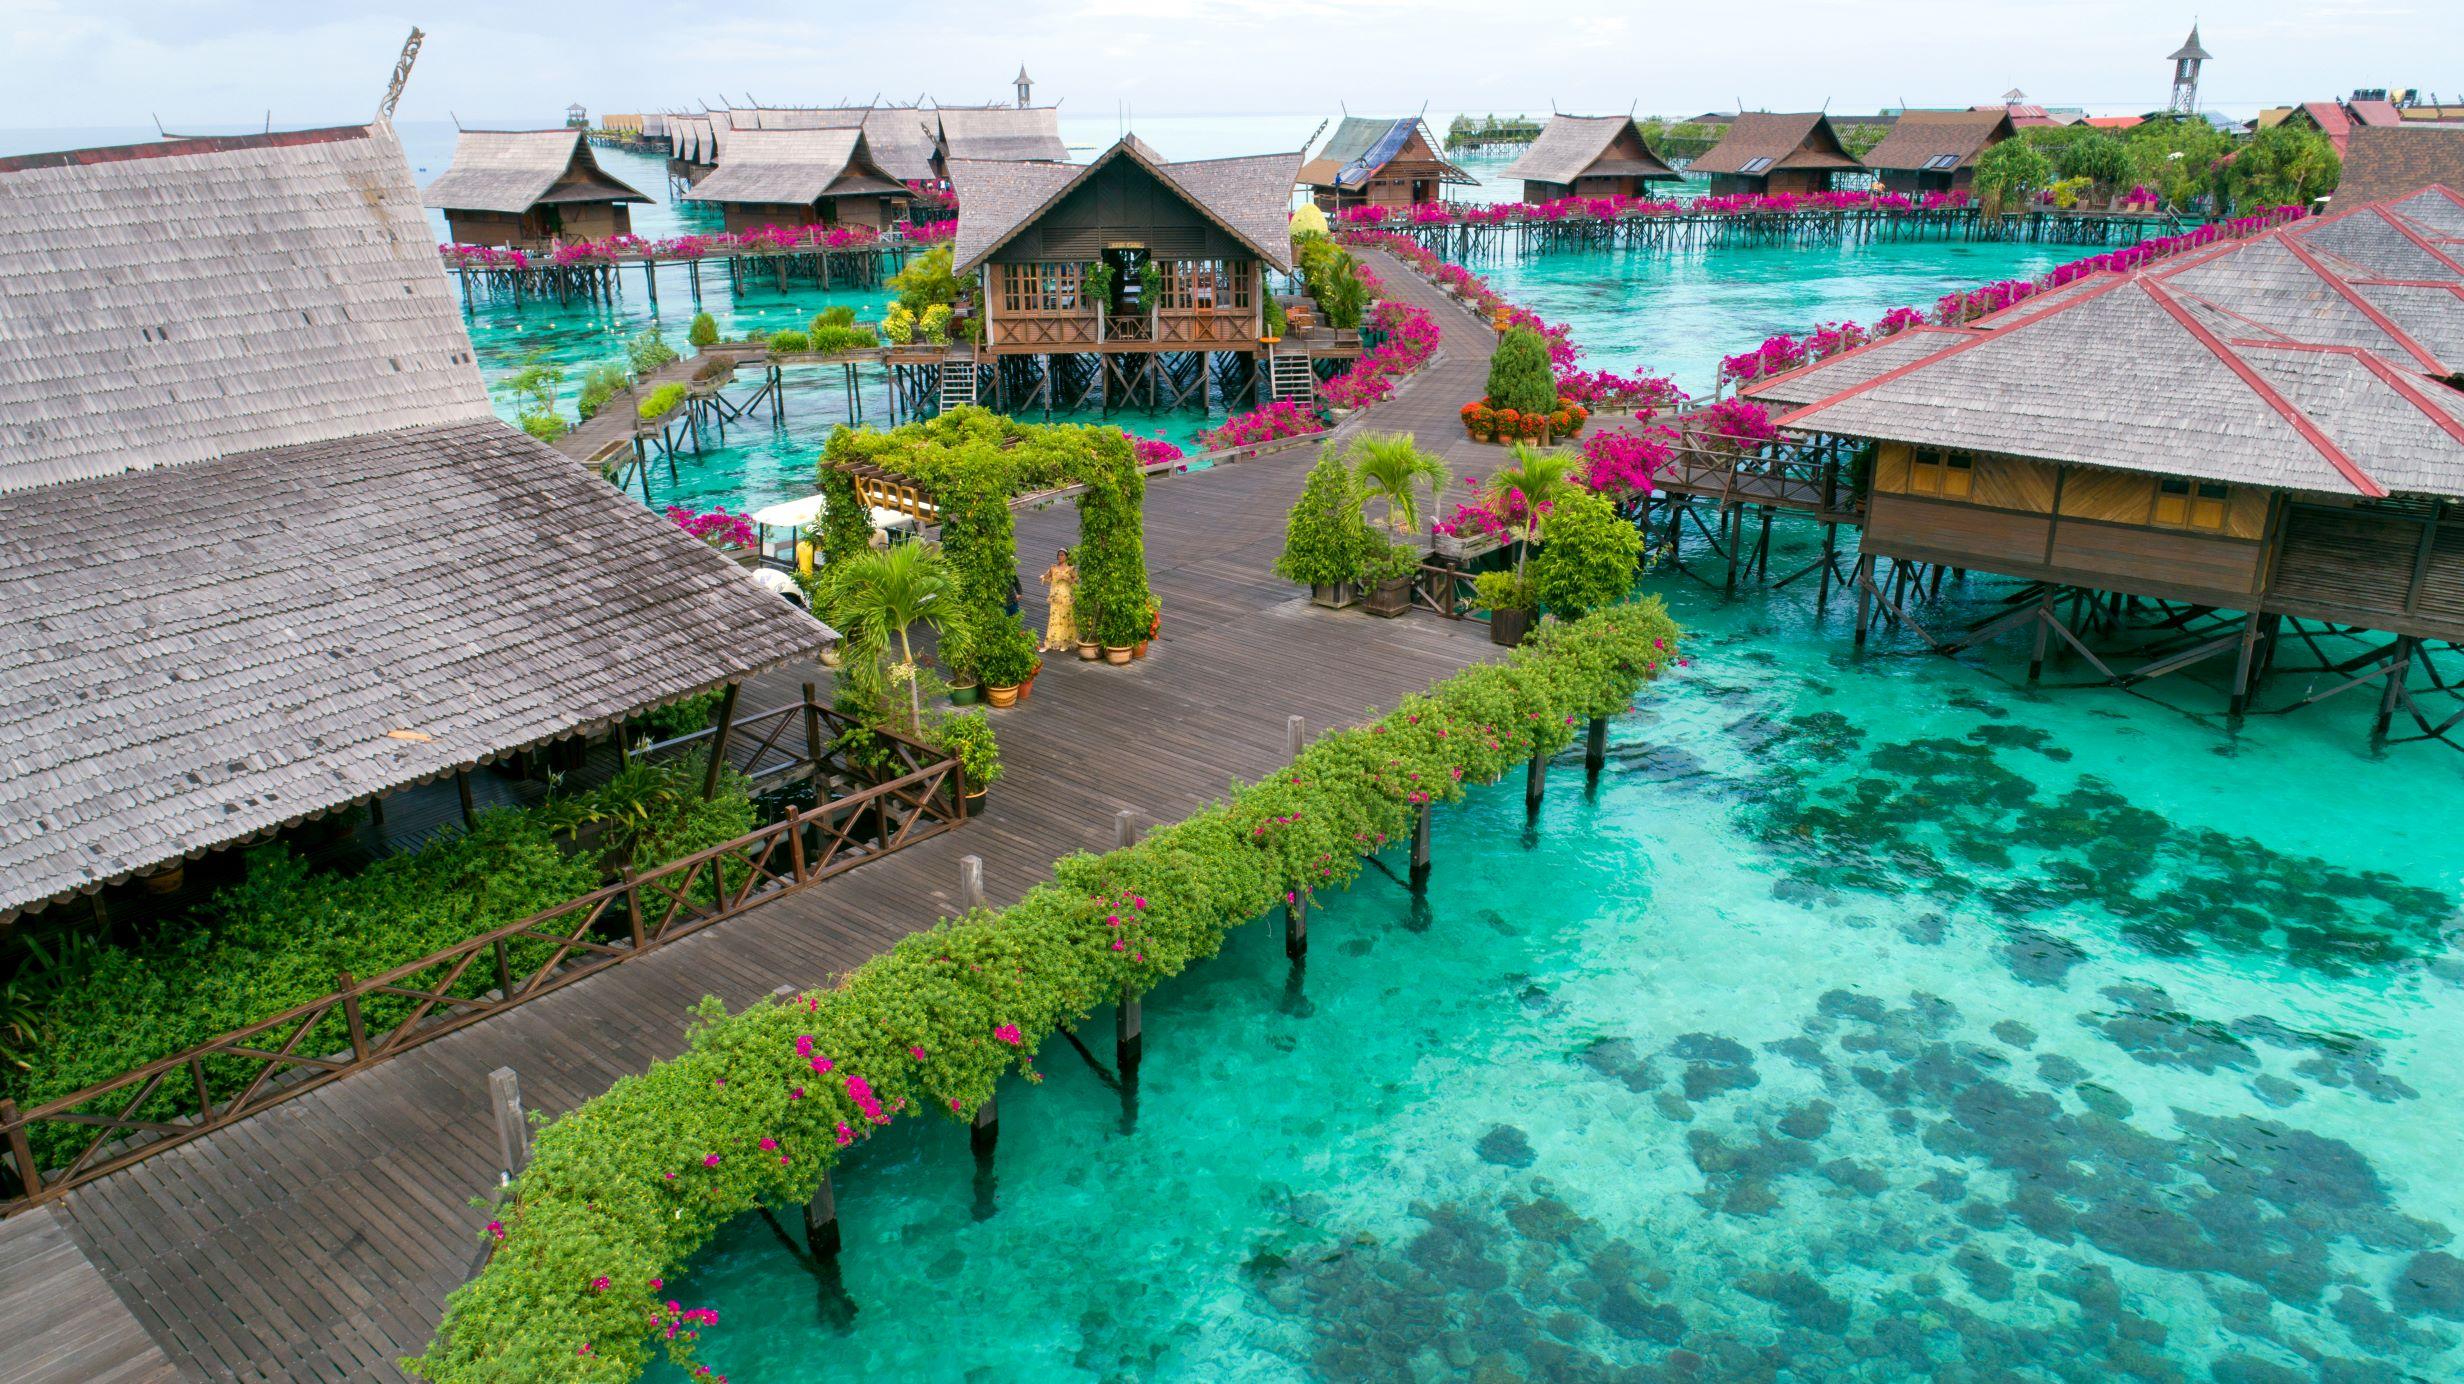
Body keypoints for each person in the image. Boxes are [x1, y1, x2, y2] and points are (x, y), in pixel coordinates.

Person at [1039, 548, 1078, 652]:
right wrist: (1043, 577)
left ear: (1066, 557)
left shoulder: (1070, 569)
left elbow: (1076, 581)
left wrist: (1067, 578)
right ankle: (1051, 642)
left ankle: (1065, 642)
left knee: (1066, 619)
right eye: (1059, 555)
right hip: (1056, 597)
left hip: (1066, 597)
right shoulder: (1053, 568)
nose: (1060, 557)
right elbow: (1047, 577)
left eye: (1062, 555)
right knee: (1054, 619)